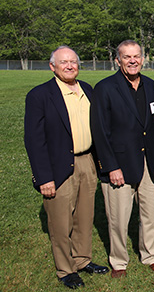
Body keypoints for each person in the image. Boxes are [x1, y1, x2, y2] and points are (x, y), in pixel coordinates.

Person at [24, 46, 108, 289]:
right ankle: (65, 269)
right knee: (61, 222)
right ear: (52, 67)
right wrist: (43, 178)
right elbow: (34, 140)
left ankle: (82, 260)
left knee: (84, 216)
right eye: (64, 62)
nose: (70, 66)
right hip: (58, 165)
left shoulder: (87, 90)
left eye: (73, 61)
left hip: (87, 162)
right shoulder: (40, 95)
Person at [91, 40, 154, 278]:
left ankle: (150, 254)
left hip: (149, 162)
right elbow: (100, 131)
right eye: (127, 57)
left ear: (142, 59)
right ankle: (119, 261)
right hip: (120, 164)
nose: (132, 61)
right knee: (118, 217)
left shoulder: (151, 86)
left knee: (149, 213)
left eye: (136, 56)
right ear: (118, 60)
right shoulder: (105, 88)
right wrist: (111, 166)